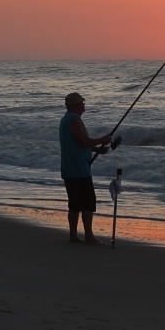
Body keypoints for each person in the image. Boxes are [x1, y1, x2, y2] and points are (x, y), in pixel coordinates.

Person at [59, 92, 111, 245]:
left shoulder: (66, 119)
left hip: (71, 168)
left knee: (75, 204)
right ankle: (89, 236)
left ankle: (74, 236)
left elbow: (77, 144)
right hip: (78, 169)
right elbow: (83, 142)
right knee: (88, 203)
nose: (84, 104)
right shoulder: (74, 120)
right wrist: (103, 140)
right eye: (82, 102)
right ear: (76, 104)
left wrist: (96, 150)